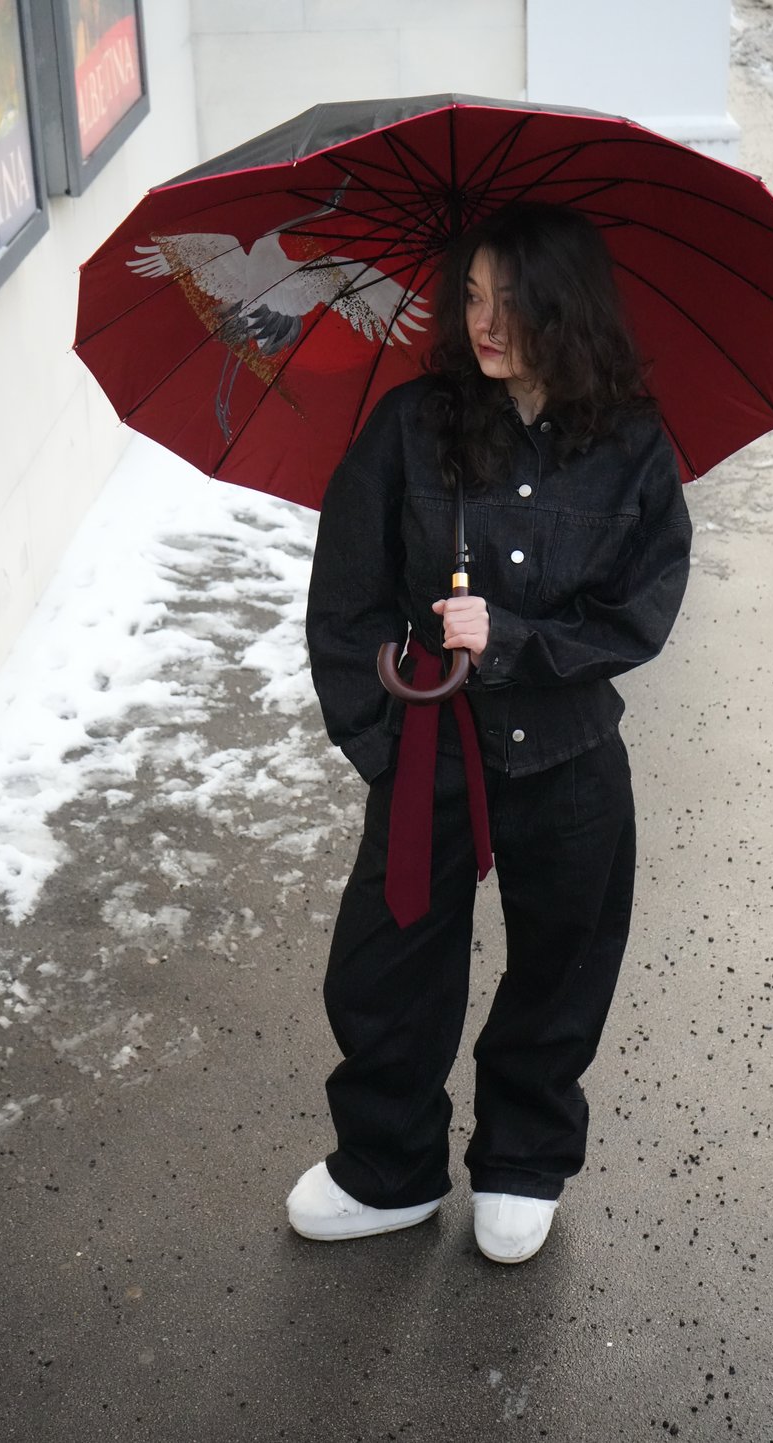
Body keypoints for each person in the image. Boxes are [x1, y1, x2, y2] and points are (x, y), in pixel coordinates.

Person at [289, 202, 692, 1263]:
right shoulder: (411, 426)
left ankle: (522, 1159)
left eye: (512, 301)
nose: (485, 323)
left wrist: (508, 638)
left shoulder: (633, 448)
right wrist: (383, 741)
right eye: (470, 295)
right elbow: (345, 602)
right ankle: (388, 1167)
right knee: (383, 968)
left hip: (566, 756)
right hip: (431, 748)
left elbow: (637, 616)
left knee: (562, 959)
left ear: (568, 306)